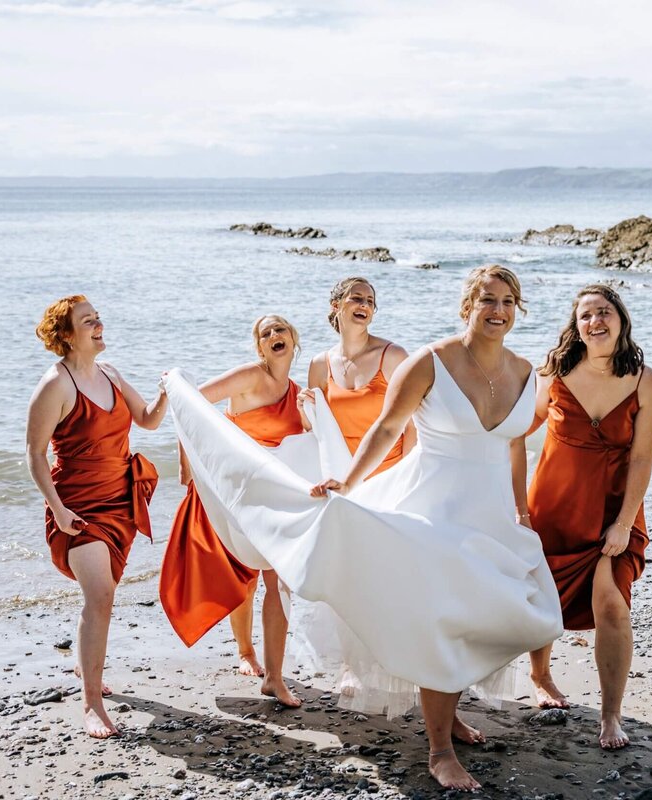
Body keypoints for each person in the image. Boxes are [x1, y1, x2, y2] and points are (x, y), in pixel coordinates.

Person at [162, 265, 562, 793]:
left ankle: (449, 711)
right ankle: (439, 747)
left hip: (489, 513)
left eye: (509, 301)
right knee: (443, 615)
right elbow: (387, 428)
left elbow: (514, 447)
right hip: (431, 508)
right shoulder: (429, 362)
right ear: (467, 306)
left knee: (514, 614)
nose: (499, 311)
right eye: (488, 300)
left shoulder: (525, 370)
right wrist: (347, 484)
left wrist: (522, 509)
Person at [511, 284, 652, 750]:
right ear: (575, 328)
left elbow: (642, 459)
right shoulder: (554, 373)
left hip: (615, 511)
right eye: (585, 316)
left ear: (621, 318)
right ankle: (540, 677)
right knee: (545, 598)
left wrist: (624, 521)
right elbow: (514, 433)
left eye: (604, 312)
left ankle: (611, 715)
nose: (595, 321)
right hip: (554, 506)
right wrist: (519, 505)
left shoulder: (644, 380)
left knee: (613, 604)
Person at [25, 295, 167, 739]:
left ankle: (87, 670)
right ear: (66, 335)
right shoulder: (56, 385)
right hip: (78, 507)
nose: (99, 325)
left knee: (103, 597)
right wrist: (58, 509)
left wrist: (170, 390)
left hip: (121, 500)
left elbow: (147, 420)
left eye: (98, 318)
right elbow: (33, 454)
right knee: (101, 596)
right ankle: (91, 704)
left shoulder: (111, 373)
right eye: (88, 321)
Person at [159, 314, 304, 708]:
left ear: (294, 340)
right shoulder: (249, 376)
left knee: (278, 581)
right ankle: (245, 652)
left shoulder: (296, 390)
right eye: (266, 332)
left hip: (271, 495)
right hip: (234, 493)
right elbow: (188, 404)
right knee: (245, 578)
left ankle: (274, 677)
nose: (275, 335)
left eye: (281, 330)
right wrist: (186, 462)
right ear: (260, 346)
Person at [298, 276, 415, 473]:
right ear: (336, 305)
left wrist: (407, 476)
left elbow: (413, 426)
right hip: (342, 478)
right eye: (357, 298)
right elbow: (316, 431)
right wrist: (303, 408)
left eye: (370, 301)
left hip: (389, 477)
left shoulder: (393, 356)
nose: (365, 305)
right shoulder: (319, 365)